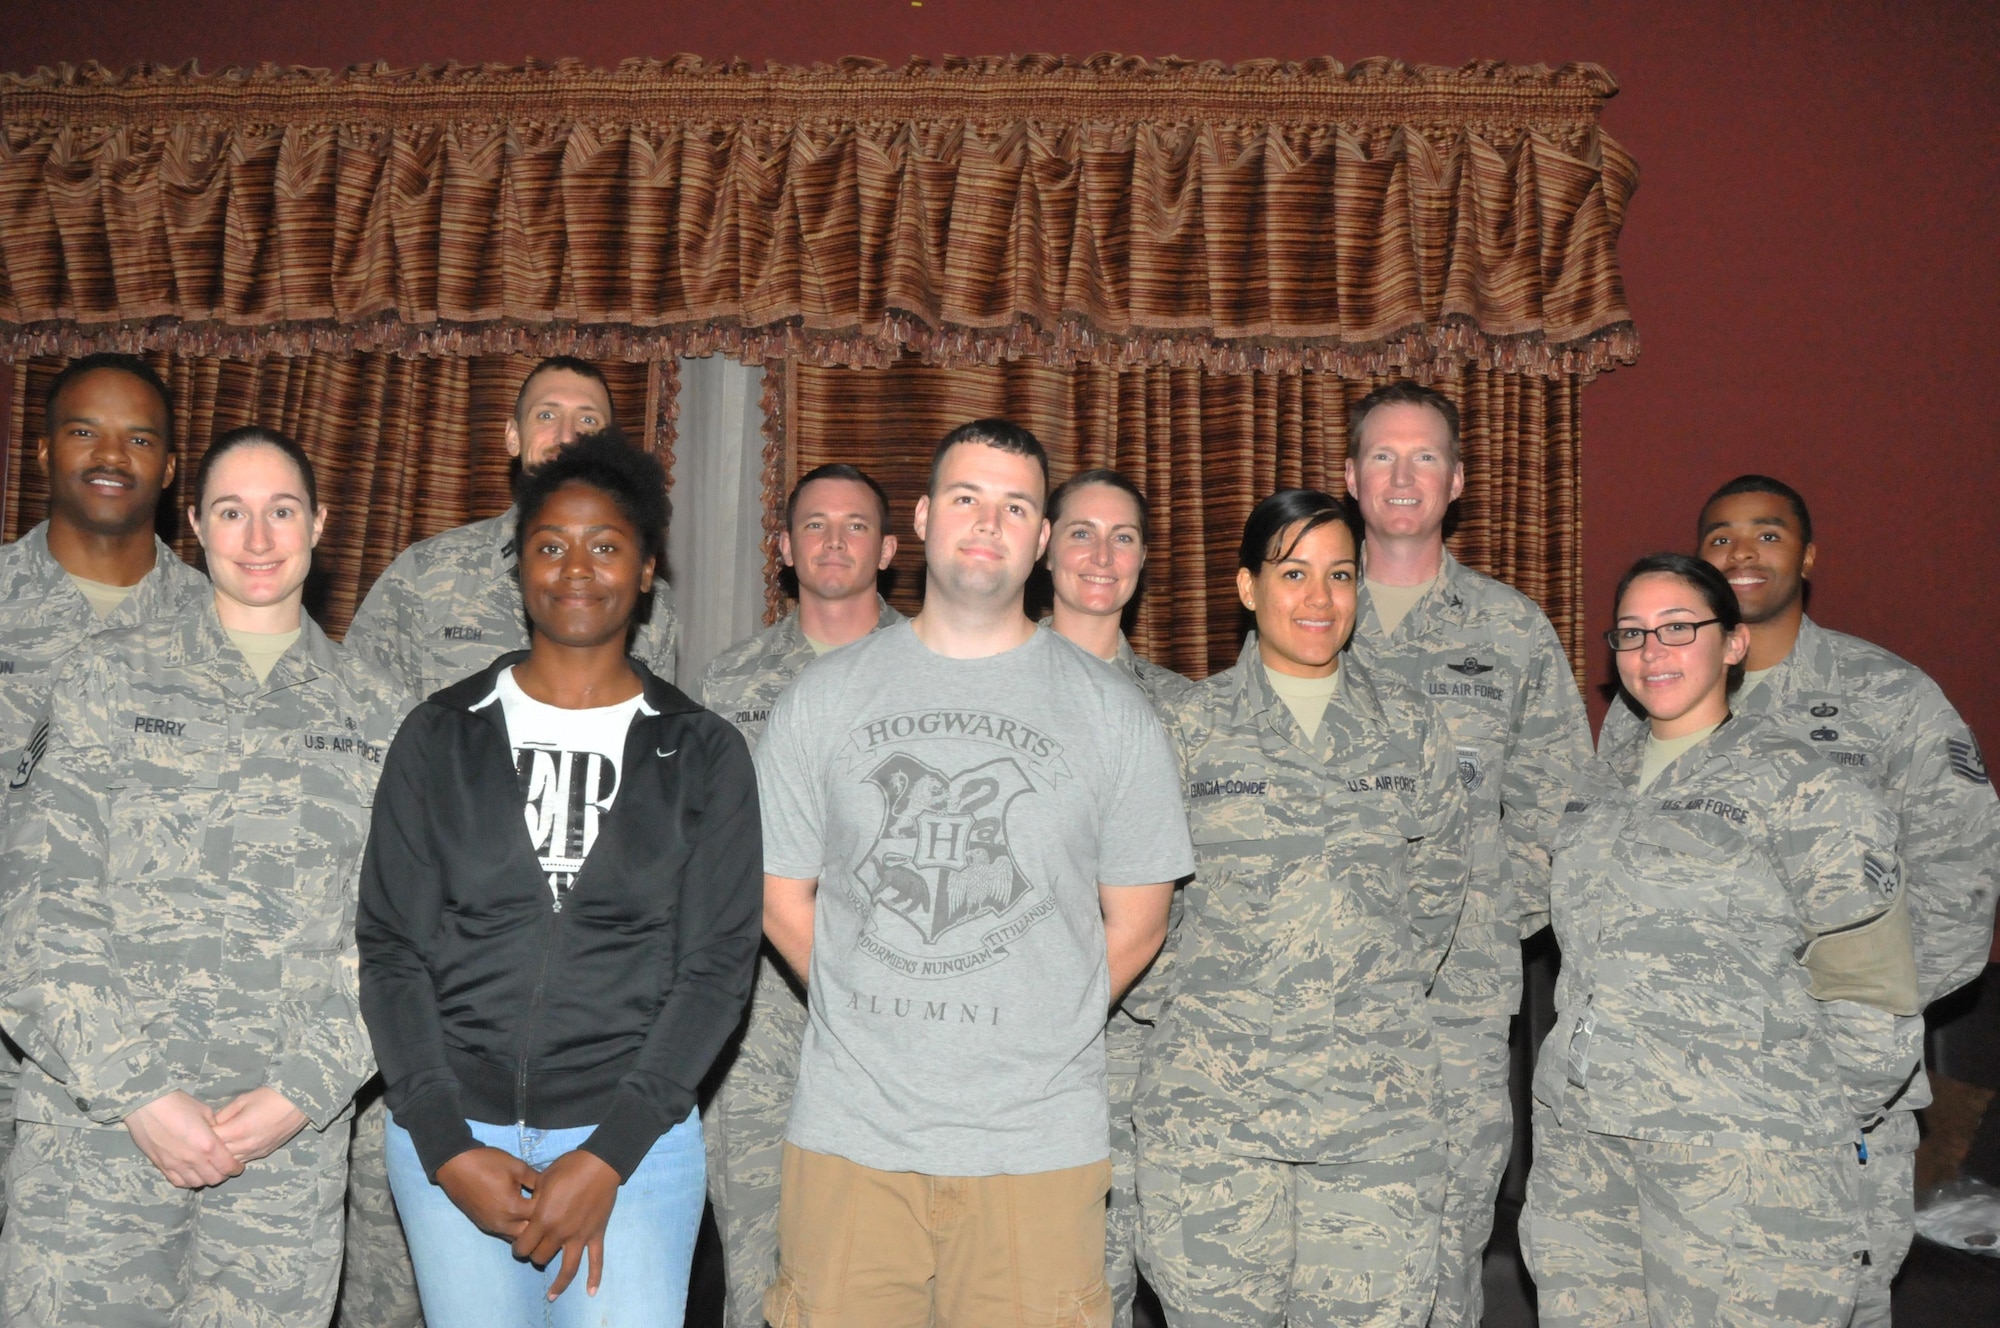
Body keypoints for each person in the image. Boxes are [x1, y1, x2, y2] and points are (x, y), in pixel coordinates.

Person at [755, 420, 1193, 1327]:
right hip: (850, 1139)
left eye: (1015, 506)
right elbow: (779, 897)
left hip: (1035, 1147)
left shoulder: (1117, 715)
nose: (987, 522)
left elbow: (1141, 922)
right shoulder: (821, 699)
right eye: (966, 498)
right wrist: (868, 1004)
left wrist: (1044, 1026)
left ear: (1039, 541)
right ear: (920, 519)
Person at [0, 426, 405, 1326]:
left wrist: (308, 1087)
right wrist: (136, 1092)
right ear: (194, 526)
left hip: (284, 1162)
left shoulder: (381, 716)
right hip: (96, 1139)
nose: (257, 539)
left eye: (281, 511)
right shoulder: (105, 681)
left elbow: (405, 936)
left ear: (319, 525)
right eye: (231, 512)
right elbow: (35, 909)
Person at [356, 431, 761, 1327]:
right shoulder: (439, 733)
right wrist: (446, 1145)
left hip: (636, 1147)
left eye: (606, 545)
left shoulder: (703, 753)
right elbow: (391, 951)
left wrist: (609, 1155)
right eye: (550, 545)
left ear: (647, 569)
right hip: (451, 1139)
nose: (577, 568)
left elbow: (718, 971)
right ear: (520, 568)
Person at [1599, 476, 2000, 1324]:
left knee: (1829, 1298)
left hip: (1832, 1090)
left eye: (1768, 535)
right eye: (1720, 538)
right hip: (1671, 1091)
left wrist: (1846, 1031)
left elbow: (1959, 880)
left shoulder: (1888, 697)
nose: (1742, 552)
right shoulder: (1643, 707)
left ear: (1809, 557)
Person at [1524, 553, 1920, 1328]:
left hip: (1744, 1167)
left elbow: (1874, 990)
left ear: (1733, 645)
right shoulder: (1595, 793)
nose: (1652, 652)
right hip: (1589, 1156)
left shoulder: (1806, 787)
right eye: (1632, 633)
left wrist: (1796, 1129)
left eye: (1679, 628)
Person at [1138, 488, 1472, 1328]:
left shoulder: (1410, 726)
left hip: (1375, 1113)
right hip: (1215, 1114)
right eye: (1293, 574)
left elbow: (1436, 894)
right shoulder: (1185, 727)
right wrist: (1205, 1004)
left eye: (1340, 575)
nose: (1319, 600)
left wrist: (1364, 989)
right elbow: (1132, 902)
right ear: (1247, 587)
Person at [1339, 381, 1592, 1327]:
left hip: (1458, 997)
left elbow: (1560, 804)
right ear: (1350, 476)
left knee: (1448, 1227)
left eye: (1425, 457)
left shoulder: (1510, 628)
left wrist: (1482, 916)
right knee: (1328, 1225)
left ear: (1458, 480)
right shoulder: (1303, 609)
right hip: (1313, 991)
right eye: (1383, 456)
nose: (1403, 476)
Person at [0, 353, 211, 1228]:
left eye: (140, 438)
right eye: (85, 430)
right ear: (45, 450)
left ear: (168, 469)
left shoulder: (222, 629)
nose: (111, 455)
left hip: (141, 1042)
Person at [699, 462, 903, 1328]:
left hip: (907, 1027)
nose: (833, 540)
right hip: (760, 1031)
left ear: (890, 549)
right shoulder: (726, 686)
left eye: (855, 524)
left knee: (895, 1278)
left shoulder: (943, 675)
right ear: (783, 548)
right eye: (813, 524)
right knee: (760, 1277)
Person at [1042, 467, 1192, 1328]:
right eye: (1082, 533)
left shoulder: (1185, 712)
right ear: (1043, 550)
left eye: (1124, 536)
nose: (1103, 554)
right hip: (1012, 1053)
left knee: (1144, 1280)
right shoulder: (980, 687)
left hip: (1151, 1054)